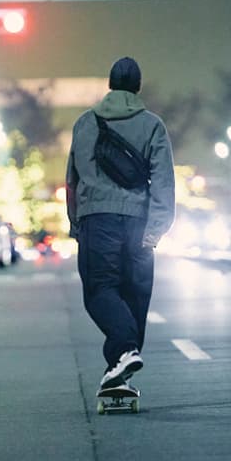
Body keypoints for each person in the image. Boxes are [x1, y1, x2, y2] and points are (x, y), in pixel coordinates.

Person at [66, 56, 174, 394]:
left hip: (97, 220)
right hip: (139, 222)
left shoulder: (85, 123)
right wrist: (156, 228)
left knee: (100, 290)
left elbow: (72, 181)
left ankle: (123, 352)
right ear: (138, 87)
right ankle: (121, 363)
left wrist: (76, 225)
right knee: (135, 293)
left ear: (110, 84)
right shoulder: (153, 124)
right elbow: (164, 182)